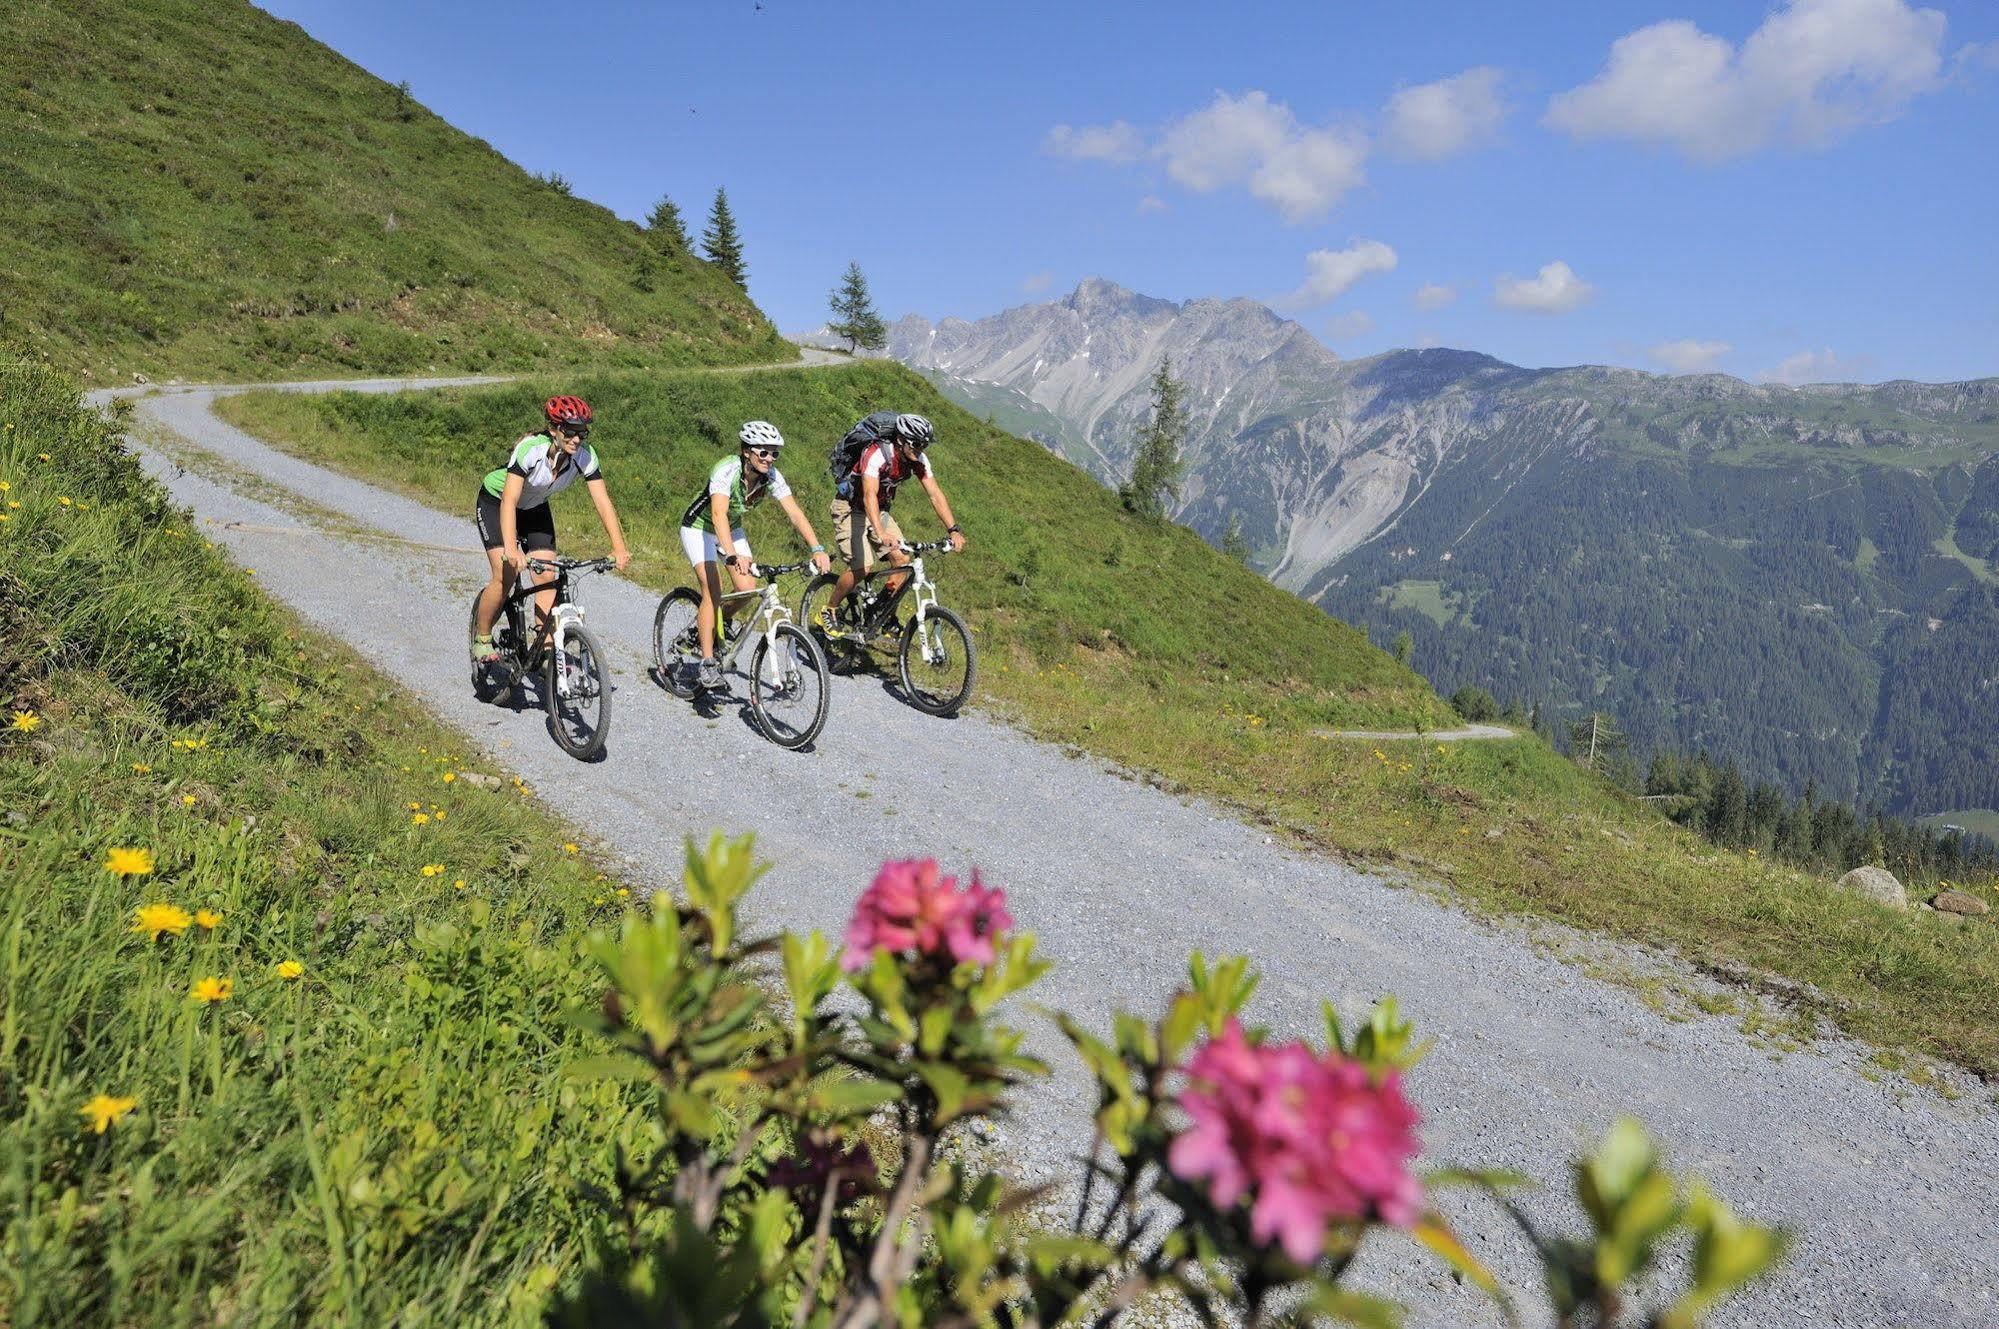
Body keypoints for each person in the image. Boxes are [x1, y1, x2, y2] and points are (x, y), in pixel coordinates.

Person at [472, 395, 630, 664]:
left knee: (547, 573)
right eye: (570, 431)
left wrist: (619, 546)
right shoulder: (530, 450)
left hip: (534, 506)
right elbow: (509, 501)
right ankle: (482, 637)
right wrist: (511, 549)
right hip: (497, 502)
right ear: (553, 429)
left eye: (582, 431)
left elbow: (603, 502)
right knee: (505, 575)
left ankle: (544, 648)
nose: (576, 439)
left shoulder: (585, 457)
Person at [678, 420, 833, 690]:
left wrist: (816, 548)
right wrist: (729, 554)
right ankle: (706, 663)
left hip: (732, 528)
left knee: (747, 588)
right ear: (747, 451)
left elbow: (794, 513)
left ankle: (717, 624)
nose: (770, 459)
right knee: (712, 590)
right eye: (764, 452)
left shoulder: (771, 477)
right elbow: (718, 514)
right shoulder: (726, 469)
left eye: (774, 453)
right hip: (699, 527)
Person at [818, 412, 965, 635]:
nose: (920, 450)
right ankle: (829, 609)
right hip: (850, 509)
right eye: (916, 444)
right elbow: (869, 494)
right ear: (900, 440)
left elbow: (934, 494)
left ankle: (882, 611)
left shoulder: (918, 460)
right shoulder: (876, 453)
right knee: (862, 567)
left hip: (881, 511)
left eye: (924, 445)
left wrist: (953, 529)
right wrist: (880, 532)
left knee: (902, 560)